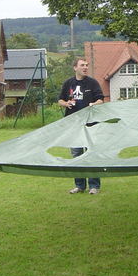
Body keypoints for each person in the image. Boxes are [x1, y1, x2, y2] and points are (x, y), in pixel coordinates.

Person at [58, 58, 104, 194]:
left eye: (86, 65)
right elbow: (60, 100)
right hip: (74, 125)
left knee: (91, 153)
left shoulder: (92, 83)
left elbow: (101, 99)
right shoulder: (68, 83)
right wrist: (66, 103)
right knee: (77, 154)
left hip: (90, 124)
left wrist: (93, 104)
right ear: (75, 68)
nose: (85, 67)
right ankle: (79, 186)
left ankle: (94, 186)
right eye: (82, 65)